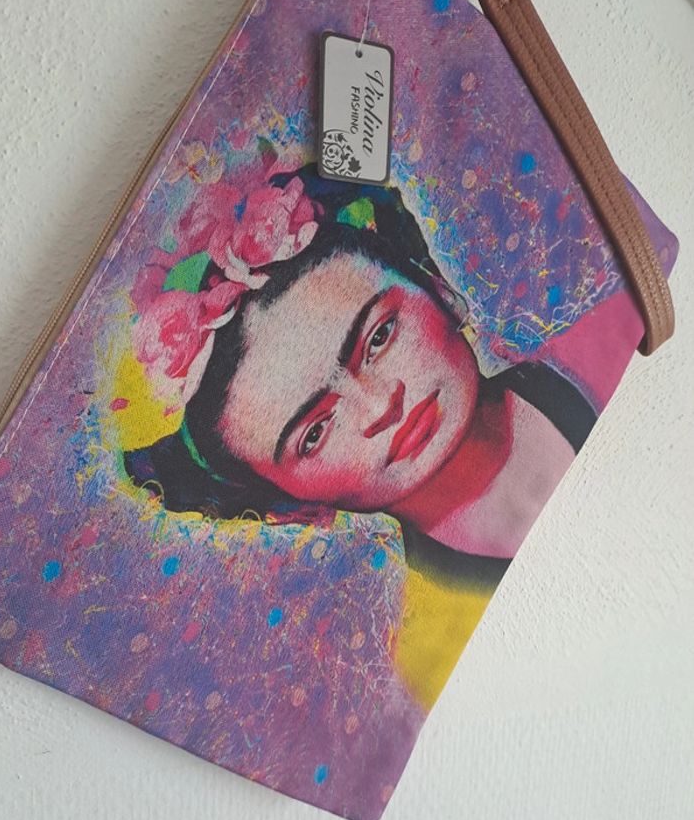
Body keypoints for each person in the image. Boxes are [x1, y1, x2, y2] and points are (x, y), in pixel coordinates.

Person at [125, 163, 596, 587]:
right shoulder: (423, 621)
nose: (380, 406)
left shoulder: (595, 344)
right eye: (314, 433)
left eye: (378, 337)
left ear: (434, 286)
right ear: (293, 503)